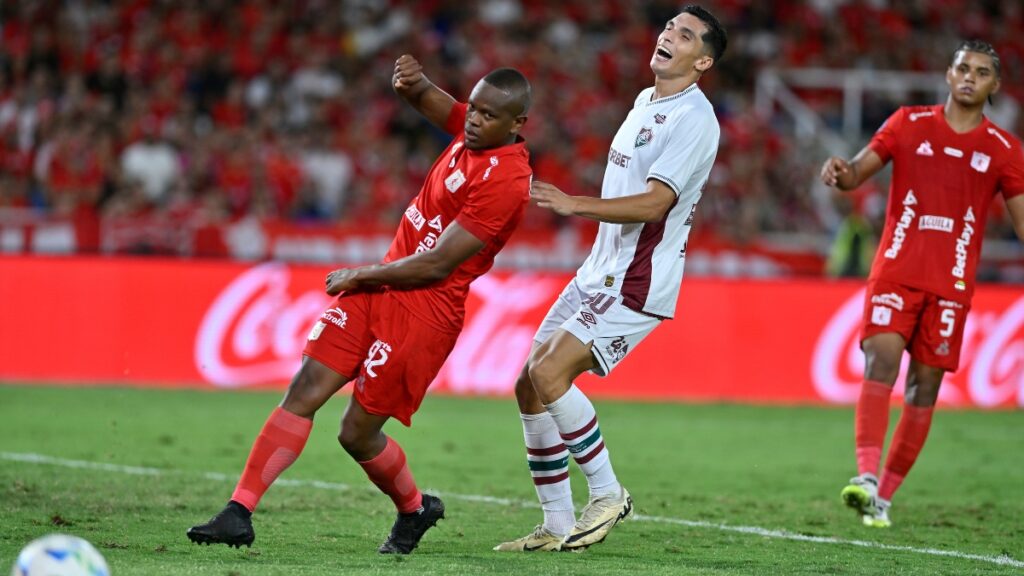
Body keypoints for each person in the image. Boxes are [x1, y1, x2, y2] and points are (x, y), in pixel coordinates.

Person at [187, 54, 533, 554]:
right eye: (472, 109)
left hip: (423, 313)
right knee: (305, 387)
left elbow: (436, 264)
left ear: (517, 123)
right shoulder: (473, 127)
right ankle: (238, 512)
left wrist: (360, 274)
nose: (473, 120)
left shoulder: (506, 181)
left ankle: (415, 509)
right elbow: (426, 99)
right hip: (379, 289)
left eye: (486, 115)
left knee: (356, 434)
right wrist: (410, 81)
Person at [493, 5, 727, 552]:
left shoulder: (695, 119)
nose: (669, 35)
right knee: (529, 384)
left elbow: (655, 203)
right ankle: (554, 523)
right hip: (598, 271)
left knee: (550, 374)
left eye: (686, 34)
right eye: (670, 26)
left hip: (637, 279)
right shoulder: (647, 101)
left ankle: (608, 493)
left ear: (704, 61)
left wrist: (573, 204)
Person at [820, 40, 1024, 528]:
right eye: (962, 68)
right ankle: (866, 476)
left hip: (951, 285)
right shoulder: (908, 123)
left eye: (981, 71)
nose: (969, 77)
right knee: (881, 358)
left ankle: (883, 496)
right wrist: (843, 172)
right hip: (896, 271)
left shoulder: (1004, 150)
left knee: (923, 388)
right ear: (948, 74)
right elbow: (858, 171)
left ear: (995, 85)